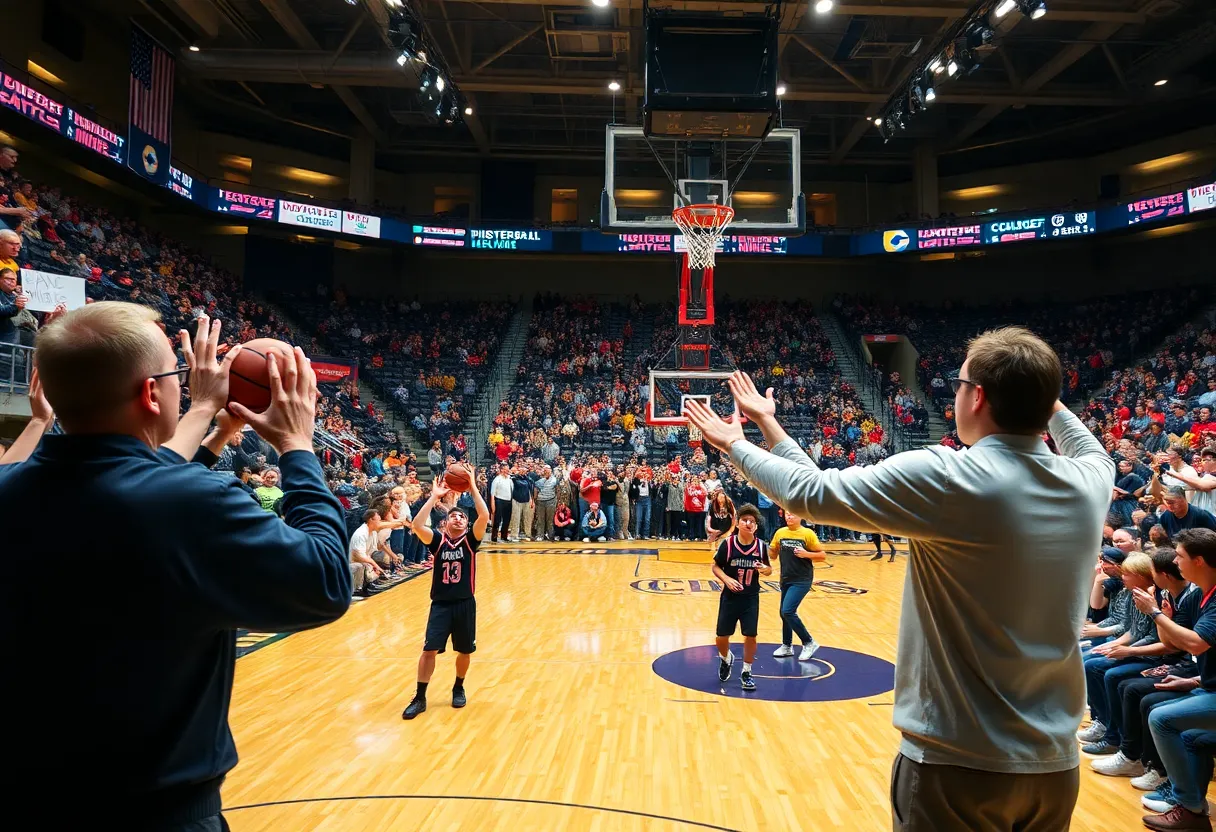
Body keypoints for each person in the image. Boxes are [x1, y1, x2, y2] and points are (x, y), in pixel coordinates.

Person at [687, 327, 1113, 830]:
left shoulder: (950, 477)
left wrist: (737, 443)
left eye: (957, 383)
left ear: (977, 396)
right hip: (1054, 768)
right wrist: (769, 425)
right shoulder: (1092, 479)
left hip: (956, 764)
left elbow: (807, 494)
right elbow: (1070, 431)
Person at [2, 305, 350, 828]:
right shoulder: (191, 502)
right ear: (150, 393)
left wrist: (208, 419)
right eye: (177, 375)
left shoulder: (11, 489)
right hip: (159, 814)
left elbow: (132, 479)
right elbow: (326, 580)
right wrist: (297, 445)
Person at [1130, 529, 1216, 831]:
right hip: (1207, 687)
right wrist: (1191, 682)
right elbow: (1176, 644)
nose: (1174, 561)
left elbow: (1195, 644)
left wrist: (1154, 612)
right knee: (1193, 737)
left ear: (1200, 561)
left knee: (1161, 719)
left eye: (1179, 555)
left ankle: (1188, 806)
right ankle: (1192, 809)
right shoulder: (1203, 596)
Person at [401, 464, 489, 720]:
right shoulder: (438, 541)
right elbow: (417, 526)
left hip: (464, 603)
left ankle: (458, 686)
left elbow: (483, 516)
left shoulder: (471, 541)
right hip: (440, 604)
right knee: (428, 651)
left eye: (462, 516)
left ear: (466, 522)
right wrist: (434, 496)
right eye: (454, 516)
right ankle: (420, 697)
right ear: (446, 522)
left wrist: (472, 485)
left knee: (464, 652)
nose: (458, 518)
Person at [711, 504, 771, 691]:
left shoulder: (761, 546)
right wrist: (727, 579)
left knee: (750, 635)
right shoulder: (728, 544)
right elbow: (715, 566)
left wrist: (765, 570)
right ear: (737, 523)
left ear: (755, 526)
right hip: (730, 596)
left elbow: (769, 570)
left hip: (751, 597)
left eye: (752, 521)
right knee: (721, 637)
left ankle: (747, 671)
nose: (748, 523)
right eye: (745, 520)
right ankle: (726, 658)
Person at [769, 509, 825, 661]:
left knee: (788, 610)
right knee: (783, 612)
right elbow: (773, 556)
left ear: (801, 516)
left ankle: (809, 642)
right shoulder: (780, 533)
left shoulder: (808, 534)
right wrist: (771, 549)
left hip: (802, 579)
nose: (789, 516)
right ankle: (787, 646)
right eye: (787, 514)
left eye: (792, 514)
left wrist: (806, 554)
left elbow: (822, 555)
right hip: (786, 577)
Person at [489, 462, 513, 543]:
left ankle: (504, 536)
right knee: (497, 520)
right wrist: (493, 505)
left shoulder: (510, 479)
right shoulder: (497, 479)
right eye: (506, 469)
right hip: (499, 500)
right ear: (501, 470)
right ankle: (494, 536)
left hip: (508, 501)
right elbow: (492, 494)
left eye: (508, 469)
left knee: (507, 520)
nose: (507, 471)